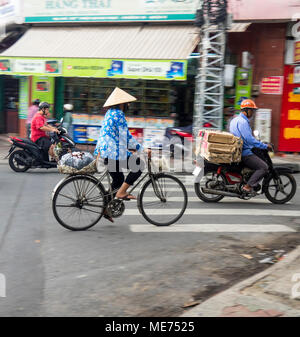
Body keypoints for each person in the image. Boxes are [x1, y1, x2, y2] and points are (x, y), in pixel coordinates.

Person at [94, 87, 150, 220]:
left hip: (106, 151)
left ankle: (105, 209)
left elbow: (119, 136)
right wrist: (142, 149)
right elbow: (126, 136)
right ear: (121, 103)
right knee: (139, 166)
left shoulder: (109, 113)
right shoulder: (118, 114)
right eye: (127, 102)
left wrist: (131, 148)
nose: (129, 105)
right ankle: (122, 192)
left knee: (118, 179)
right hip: (113, 152)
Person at [229, 99, 272, 193]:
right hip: (244, 152)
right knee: (263, 167)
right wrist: (264, 146)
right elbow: (249, 139)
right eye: (252, 110)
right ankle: (248, 186)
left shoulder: (234, 120)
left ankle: (248, 179)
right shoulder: (243, 122)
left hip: (236, 149)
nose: (252, 113)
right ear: (246, 110)